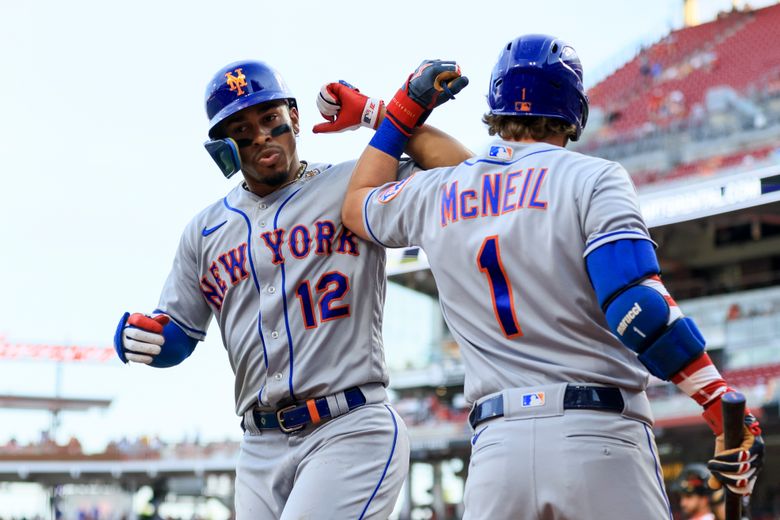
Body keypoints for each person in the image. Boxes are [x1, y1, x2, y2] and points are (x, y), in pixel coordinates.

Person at [339, 34, 765, 519]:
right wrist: (715, 401)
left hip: (497, 452)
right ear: (575, 107)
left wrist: (393, 112)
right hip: (599, 437)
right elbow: (636, 307)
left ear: (495, 104)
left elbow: (359, 203)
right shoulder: (594, 178)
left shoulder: (442, 189)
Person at [113, 59, 470, 519]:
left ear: (295, 118)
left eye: (270, 119)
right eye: (241, 129)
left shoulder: (351, 182)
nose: (260, 135)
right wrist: (149, 338)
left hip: (348, 426)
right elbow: (179, 331)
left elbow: (469, 173)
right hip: (257, 446)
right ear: (222, 147)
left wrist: (379, 113)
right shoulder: (203, 231)